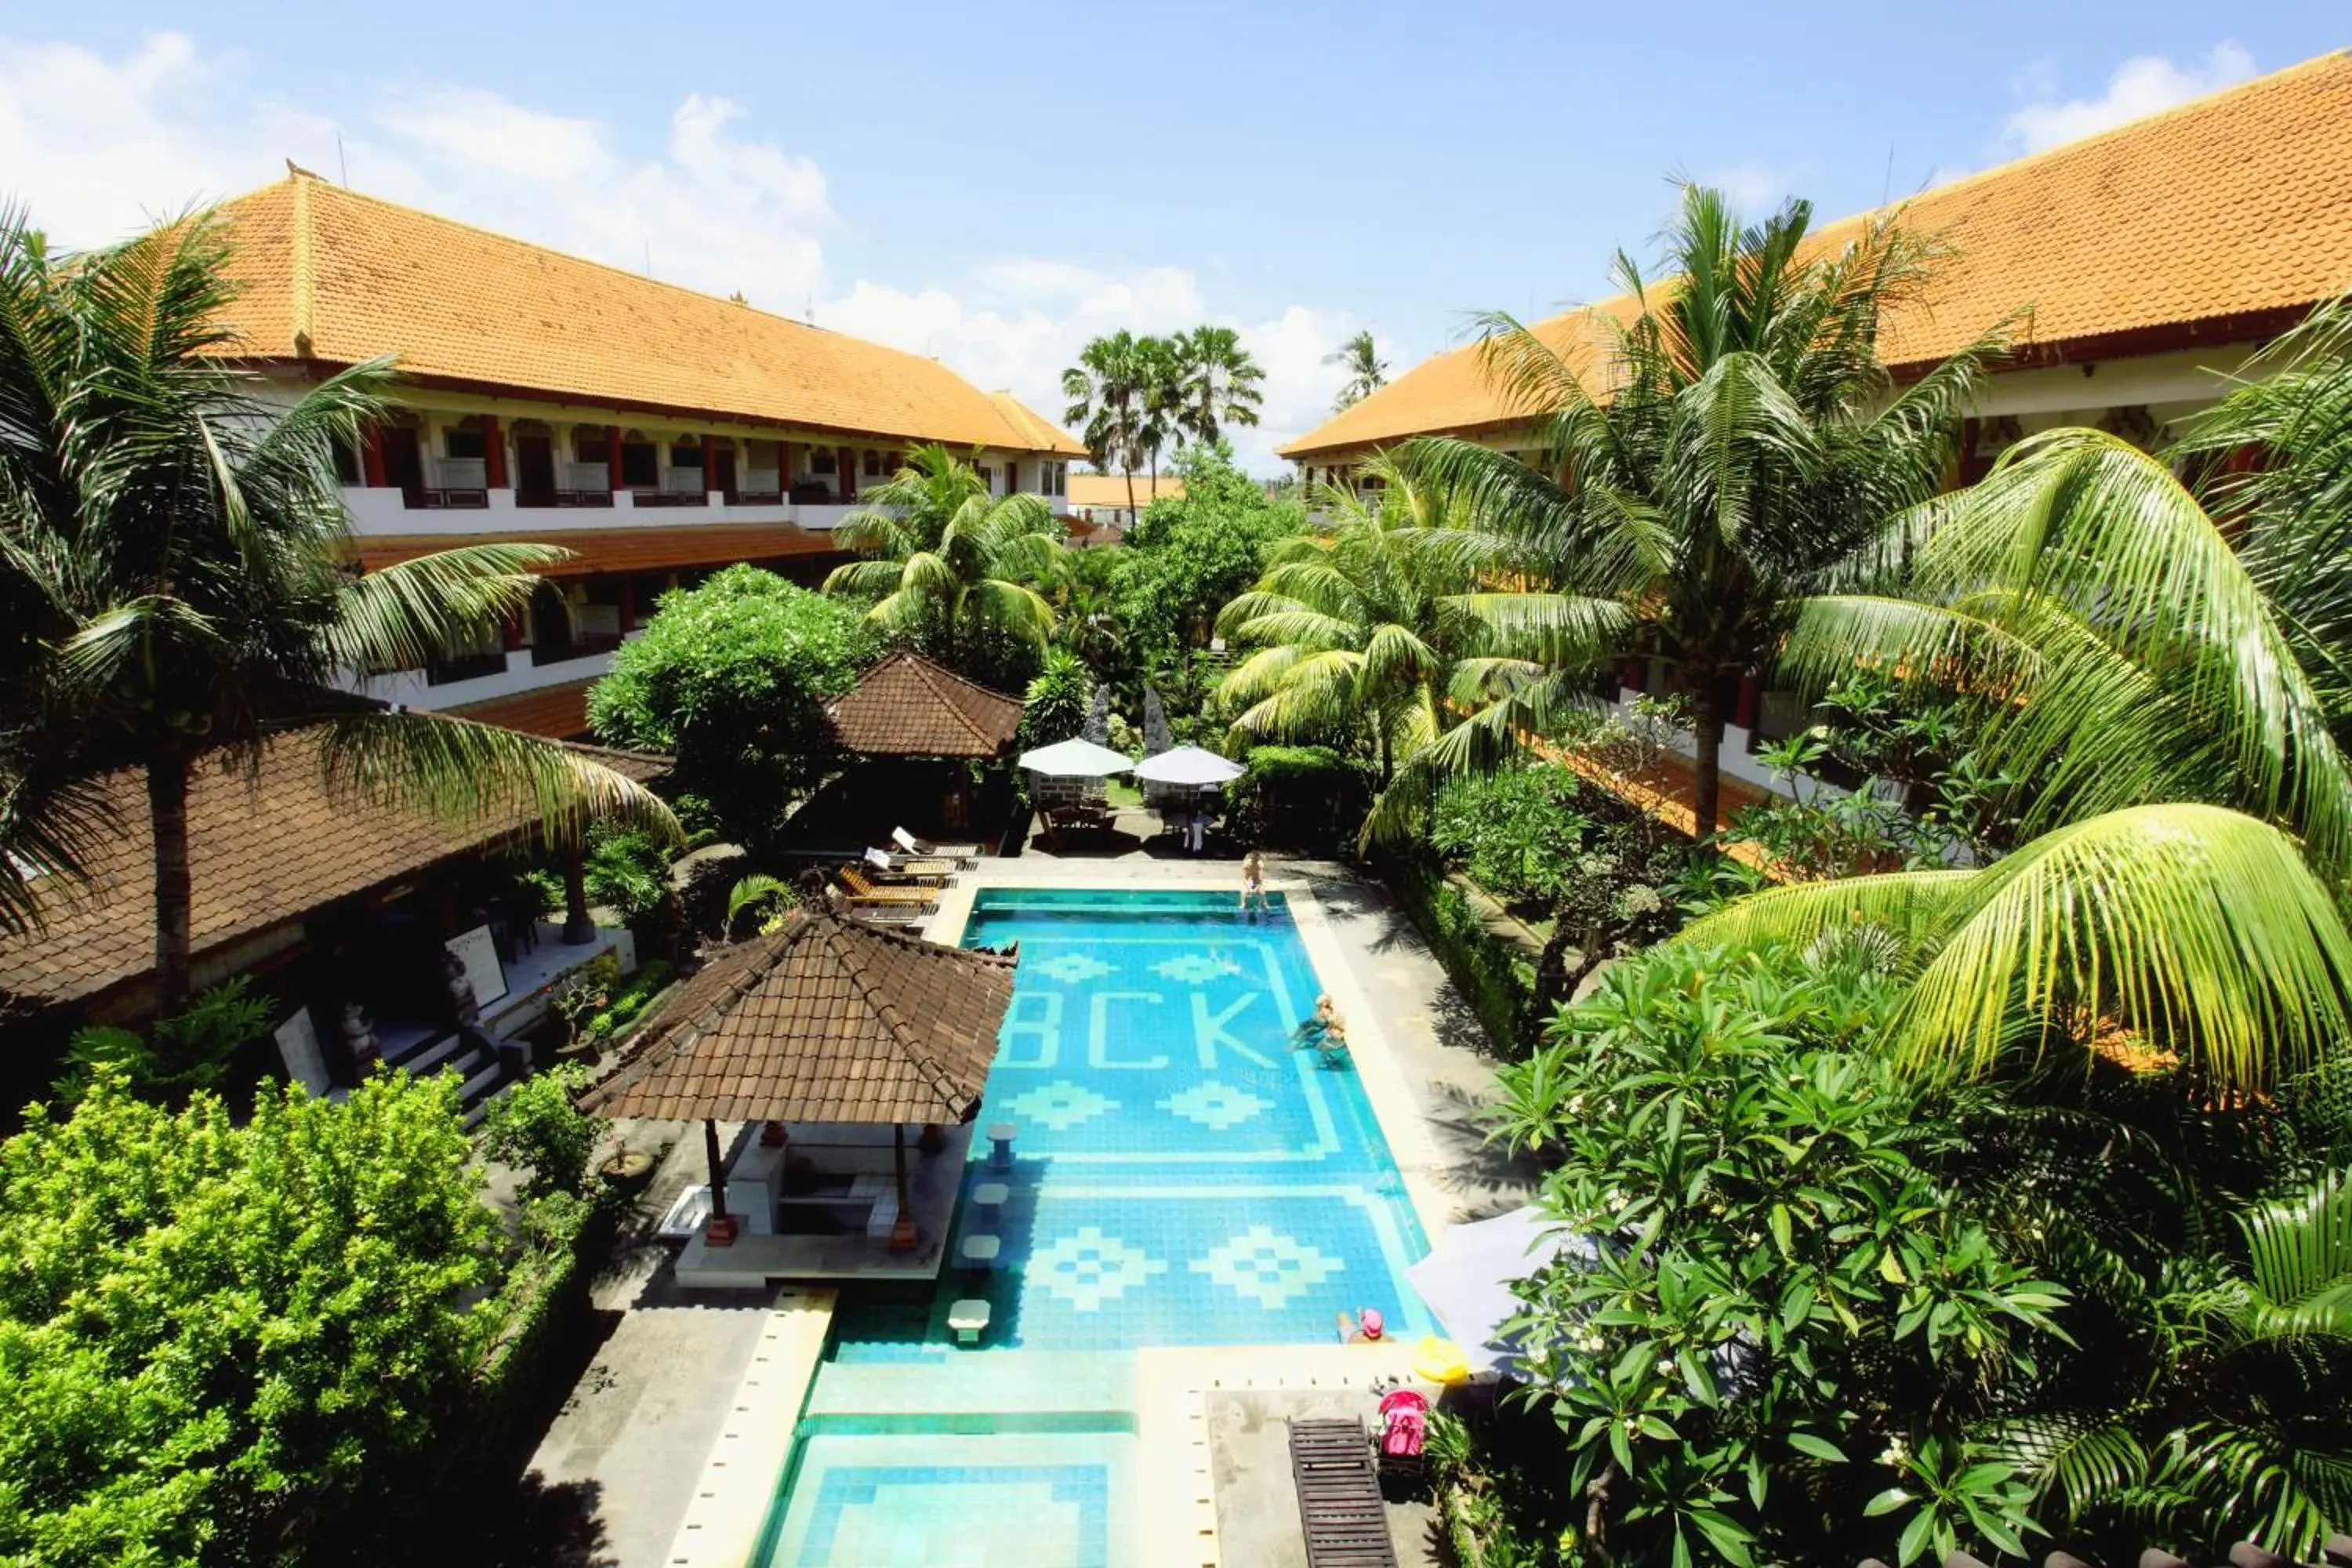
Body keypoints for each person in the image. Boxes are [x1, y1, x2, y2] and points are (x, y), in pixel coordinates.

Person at [1239, 850, 1265, 915]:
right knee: (1244, 891)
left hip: (1256, 880)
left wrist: (1256, 888)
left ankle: (1259, 906)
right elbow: (1244, 878)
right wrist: (1249, 888)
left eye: (1256, 859)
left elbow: (1261, 879)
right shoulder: (1246, 864)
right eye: (1253, 859)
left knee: (1261, 891)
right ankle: (1243, 904)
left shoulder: (1260, 865)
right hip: (1248, 880)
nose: (1254, 861)